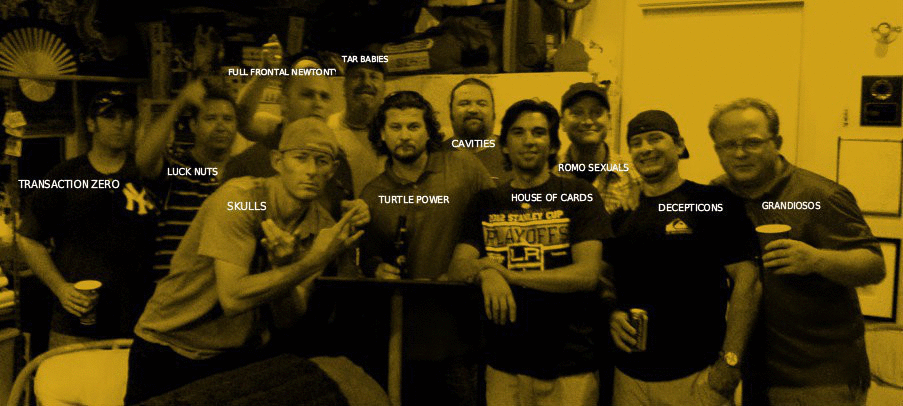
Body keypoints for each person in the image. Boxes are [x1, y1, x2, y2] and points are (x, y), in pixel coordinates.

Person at [125, 118, 369, 403]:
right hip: (170, 345)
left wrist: (283, 266)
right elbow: (233, 298)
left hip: (234, 356)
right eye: (301, 158)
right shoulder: (239, 199)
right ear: (277, 161)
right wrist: (312, 262)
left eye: (322, 160)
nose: (312, 170)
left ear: (333, 170)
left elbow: (288, 320)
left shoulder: (321, 226)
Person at [708, 98, 885, 406]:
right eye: (728, 145)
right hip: (754, 373)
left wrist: (816, 259)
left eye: (752, 142)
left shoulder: (819, 195)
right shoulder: (718, 195)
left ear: (776, 143)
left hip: (820, 378)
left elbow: (873, 265)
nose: (739, 153)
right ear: (717, 150)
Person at [448, 99, 610, 406]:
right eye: (518, 132)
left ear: (552, 145)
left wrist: (508, 275)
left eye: (539, 132)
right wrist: (486, 273)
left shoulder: (579, 194)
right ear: (504, 146)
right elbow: (458, 267)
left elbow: (587, 275)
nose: (529, 140)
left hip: (570, 366)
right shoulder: (486, 202)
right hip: (503, 366)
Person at [605, 110, 760, 405]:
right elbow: (605, 279)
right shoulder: (623, 214)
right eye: (636, 143)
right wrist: (611, 313)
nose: (646, 148)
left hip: (697, 377)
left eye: (655, 139)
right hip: (629, 380)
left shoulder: (712, 202)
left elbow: (748, 282)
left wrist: (730, 360)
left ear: (679, 145)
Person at [359, 91, 494, 406]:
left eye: (413, 126)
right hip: (403, 338)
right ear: (382, 133)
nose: (404, 135)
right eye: (395, 127)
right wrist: (377, 268)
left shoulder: (463, 166)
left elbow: (496, 220)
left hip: (465, 334)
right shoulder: (373, 193)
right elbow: (366, 255)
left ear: (429, 131)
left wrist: (479, 267)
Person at [17, 89, 158, 348]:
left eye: (126, 117)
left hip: (141, 322)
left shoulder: (147, 174)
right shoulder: (65, 175)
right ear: (91, 123)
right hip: (76, 324)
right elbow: (28, 238)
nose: (119, 124)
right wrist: (61, 288)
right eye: (109, 116)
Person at [228, 56, 354, 219]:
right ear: (283, 103)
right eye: (307, 95)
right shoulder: (247, 166)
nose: (318, 104)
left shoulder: (338, 164)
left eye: (324, 97)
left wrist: (356, 215)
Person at [137, 80, 237, 279]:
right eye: (210, 118)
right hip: (178, 289)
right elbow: (144, 160)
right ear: (193, 125)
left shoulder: (242, 174)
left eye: (228, 119)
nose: (220, 126)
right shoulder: (177, 169)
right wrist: (179, 103)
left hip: (226, 289)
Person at [556, 82, 641, 215]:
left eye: (597, 112)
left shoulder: (634, 175)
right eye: (577, 113)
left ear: (609, 120)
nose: (588, 121)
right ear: (562, 122)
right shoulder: (550, 173)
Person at [327, 57, 387, 196]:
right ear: (344, 86)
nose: (366, 82)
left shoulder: (394, 132)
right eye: (357, 76)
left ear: (384, 88)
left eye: (374, 77)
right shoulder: (327, 128)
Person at [442, 78, 508, 180]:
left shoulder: (512, 153)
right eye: (464, 103)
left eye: (482, 104)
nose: (473, 110)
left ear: (493, 113)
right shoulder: (434, 155)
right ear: (451, 112)